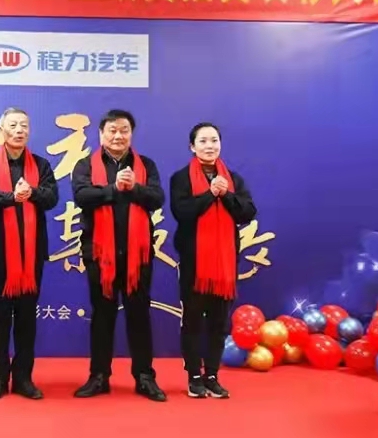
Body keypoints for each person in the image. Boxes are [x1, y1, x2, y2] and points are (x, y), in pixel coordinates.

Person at [71, 109, 166, 401]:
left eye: (124, 130)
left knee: (139, 315)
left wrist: (134, 188)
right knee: (102, 315)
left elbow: (157, 198)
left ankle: (145, 377)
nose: (118, 136)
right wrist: (114, 189)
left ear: (131, 134)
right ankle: (99, 376)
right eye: (112, 130)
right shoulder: (86, 165)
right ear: (101, 134)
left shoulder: (145, 165)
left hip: (138, 255)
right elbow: (82, 196)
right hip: (100, 255)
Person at [0, 107, 58, 400]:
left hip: (32, 255)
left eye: (24, 125)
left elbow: (52, 198)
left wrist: (32, 192)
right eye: (13, 125)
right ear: (2, 128)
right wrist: (13, 197)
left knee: (26, 318)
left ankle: (23, 377)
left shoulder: (41, 165)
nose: (19, 130)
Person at [169, 122, 257, 399]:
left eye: (214, 140)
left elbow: (247, 212)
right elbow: (182, 212)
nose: (210, 146)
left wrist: (226, 194)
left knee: (219, 324)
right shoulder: (181, 178)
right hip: (194, 264)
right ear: (192, 146)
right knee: (193, 322)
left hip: (224, 265)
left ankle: (213, 376)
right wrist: (210, 194)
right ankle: (194, 377)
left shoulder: (233, 179)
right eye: (203, 141)